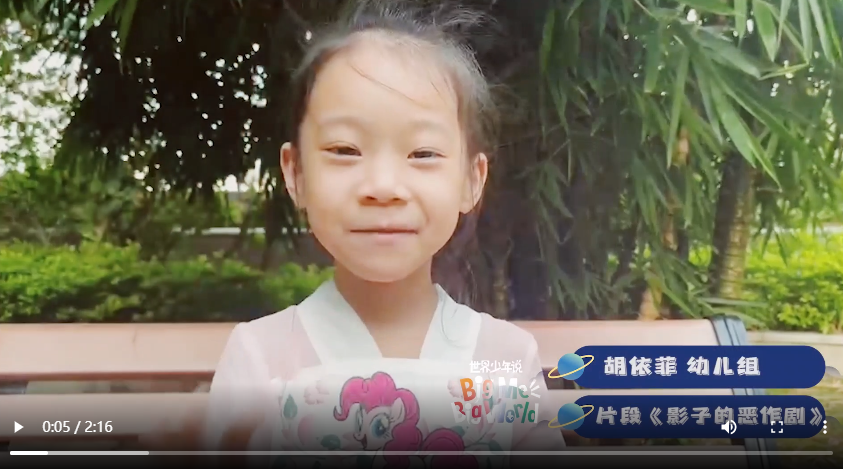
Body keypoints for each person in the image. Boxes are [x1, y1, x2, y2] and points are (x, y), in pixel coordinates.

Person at [142, 0, 565, 466]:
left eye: (423, 153)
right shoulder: (261, 356)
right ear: (296, 173)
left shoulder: (507, 357)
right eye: (345, 150)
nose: (382, 187)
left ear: (472, 179)